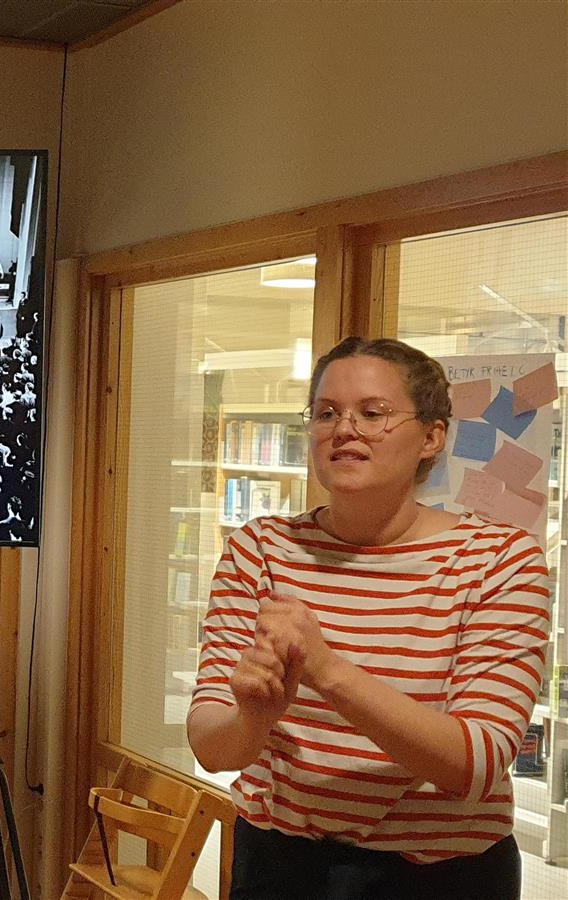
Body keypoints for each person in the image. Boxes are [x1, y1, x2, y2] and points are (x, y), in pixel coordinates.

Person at [187, 337, 551, 900]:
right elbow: (213, 749)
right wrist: (253, 718)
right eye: (326, 413)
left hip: (442, 876)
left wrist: (328, 671)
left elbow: (477, 762)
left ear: (431, 437)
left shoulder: (498, 559)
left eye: (373, 413)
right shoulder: (260, 549)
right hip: (281, 865)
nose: (344, 429)